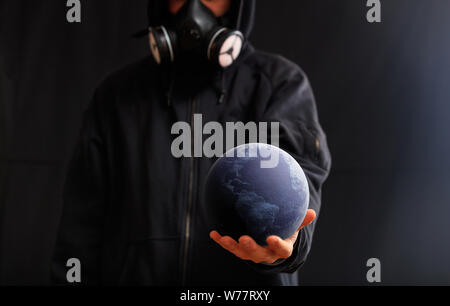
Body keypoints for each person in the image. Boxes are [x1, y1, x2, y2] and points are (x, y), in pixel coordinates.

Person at [52, 0, 332, 286]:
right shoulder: (116, 96)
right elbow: (80, 229)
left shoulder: (280, 83)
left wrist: (287, 244)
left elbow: (299, 182)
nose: (193, 5)